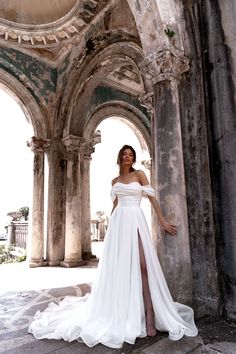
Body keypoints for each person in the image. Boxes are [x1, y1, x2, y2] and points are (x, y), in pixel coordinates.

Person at [28, 145, 198, 348]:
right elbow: (115, 205)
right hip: (118, 224)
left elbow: (152, 199)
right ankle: (123, 310)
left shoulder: (140, 175)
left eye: (131, 155)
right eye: (125, 154)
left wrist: (162, 222)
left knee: (144, 265)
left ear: (133, 158)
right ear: (120, 157)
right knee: (121, 269)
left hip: (135, 219)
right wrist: (110, 229)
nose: (128, 157)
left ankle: (150, 311)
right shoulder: (115, 181)